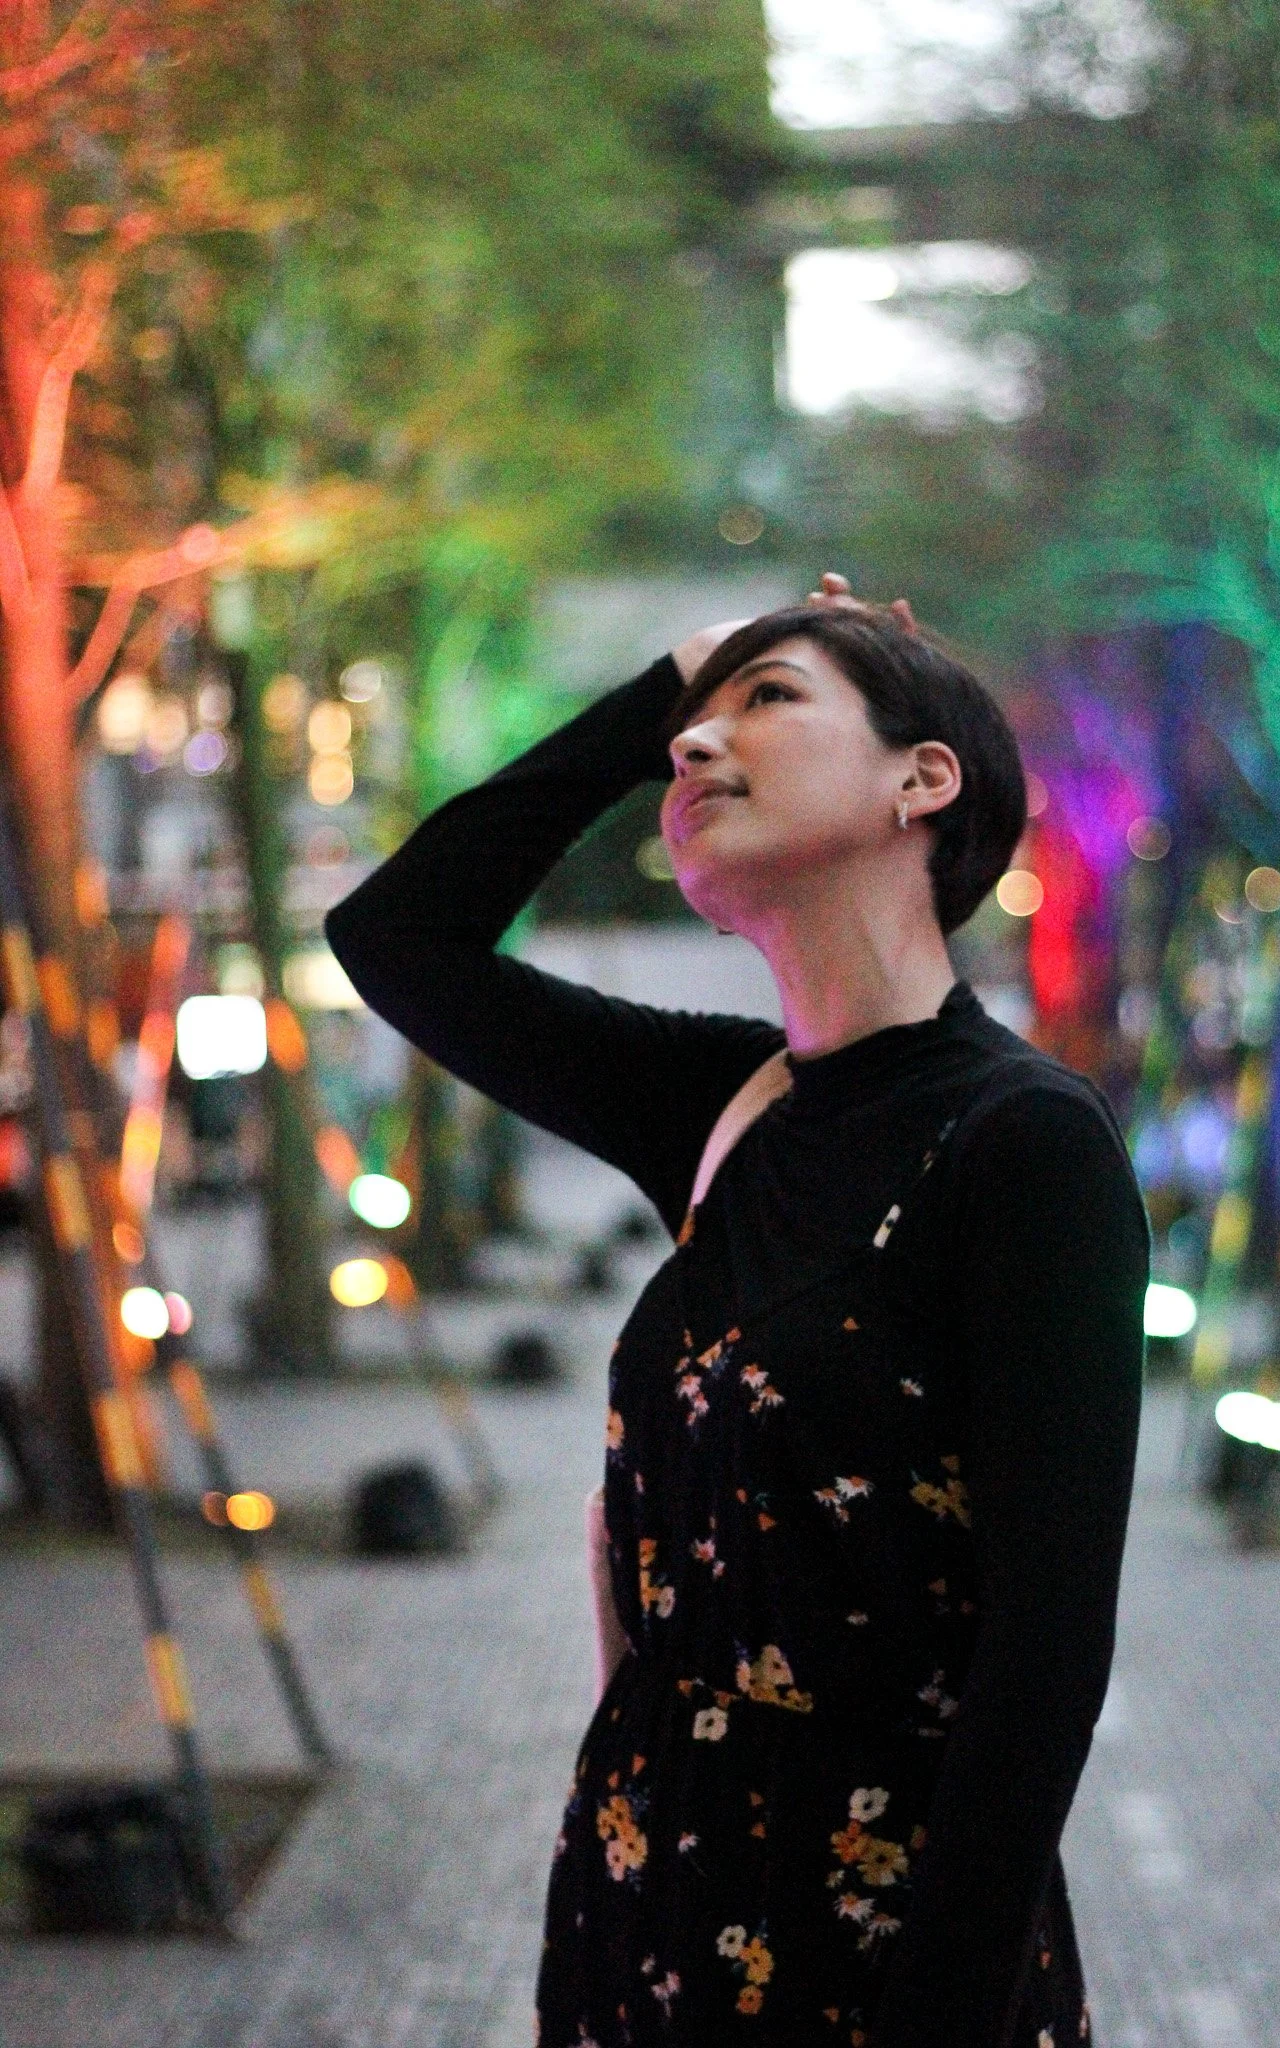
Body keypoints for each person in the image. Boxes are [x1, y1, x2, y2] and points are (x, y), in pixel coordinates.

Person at [325, 575, 1148, 2048]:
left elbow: (1044, 1654)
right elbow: (399, 939)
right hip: (642, 1905)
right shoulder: (725, 1107)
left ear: (923, 779)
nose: (693, 751)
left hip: (877, 1942)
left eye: (764, 707)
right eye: (689, 732)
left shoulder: (1021, 1143)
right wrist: (671, 679)